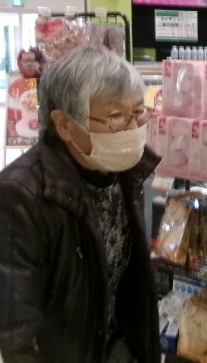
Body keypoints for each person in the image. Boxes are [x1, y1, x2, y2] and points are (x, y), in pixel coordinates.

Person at [0, 47, 161, 363]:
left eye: (139, 113)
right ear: (64, 124)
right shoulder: (20, 197)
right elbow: (16, 332)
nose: (133, 129)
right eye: (116, 117)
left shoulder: (123, 172)